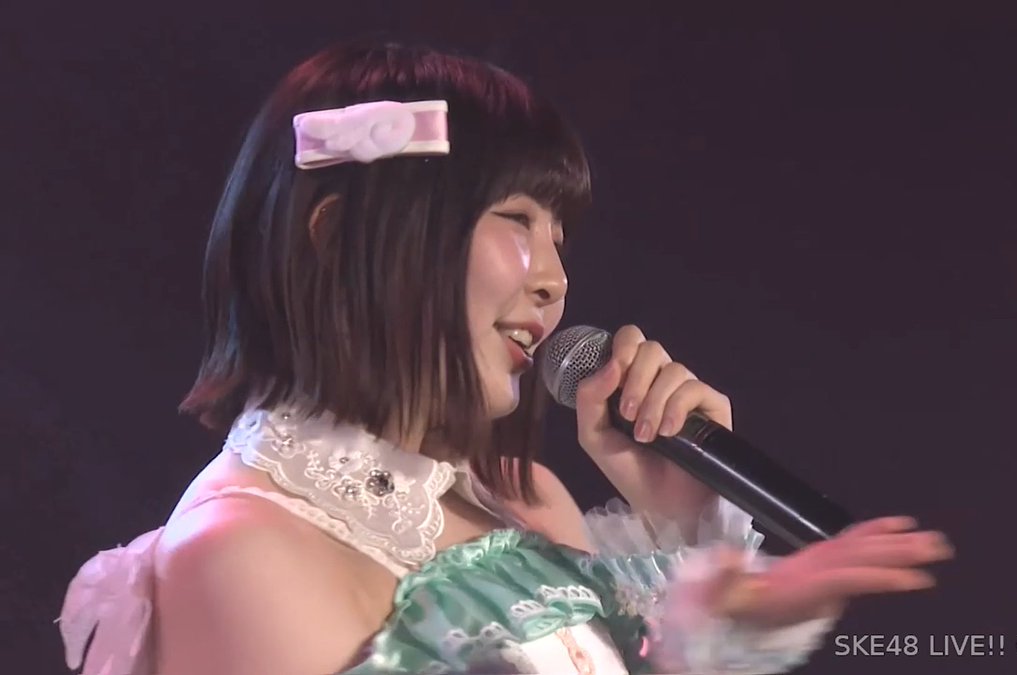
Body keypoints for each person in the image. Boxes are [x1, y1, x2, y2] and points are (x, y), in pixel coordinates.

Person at [59, 38, 954, 675]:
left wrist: (683, 531)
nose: (555, 279)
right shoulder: (238, 550)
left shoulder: (529, 499)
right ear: (337, 238)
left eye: (560, 234)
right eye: (517, 219)